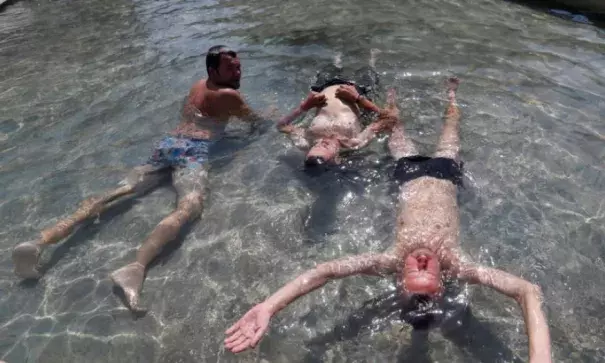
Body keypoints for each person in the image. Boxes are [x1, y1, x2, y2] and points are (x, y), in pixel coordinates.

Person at [224, 78, 552, 363]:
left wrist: (269, 306)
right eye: (429, 272)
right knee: (452, 125)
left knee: (394, 124)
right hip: (445, 173)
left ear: (399, 280)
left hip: (407, 172)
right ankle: (452, 95)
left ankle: (394, 97)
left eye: (415, 272)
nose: (422, 261)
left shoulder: (389, 260)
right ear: (441, 284)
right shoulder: (458, 265)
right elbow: (527, 291)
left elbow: (323, 272)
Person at [12, 45, 270, 312]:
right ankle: (136, 267)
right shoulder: (229, 94)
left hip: (170, 144)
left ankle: (39, 242)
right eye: (231, 67)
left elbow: (198, 118)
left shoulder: (197, 85)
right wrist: (275, 118)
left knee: (122, 190)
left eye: (238, 66)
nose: (238, 71)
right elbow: (257, 124)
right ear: (214, 70)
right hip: (194, 151)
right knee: (190, 206)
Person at [276, 50, 397, 168]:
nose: (323, 142)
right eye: (327, 147)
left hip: (323, 87)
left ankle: (338, 52)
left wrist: (305, 106)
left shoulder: (306, 142)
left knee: (334, 59)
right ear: (337, 158)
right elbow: (390, 118)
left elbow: (281, 125)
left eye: (316, 146)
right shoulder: (355, 142)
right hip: (358, 90)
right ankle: (372, 53)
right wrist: (358, 99)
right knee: (368, 66)